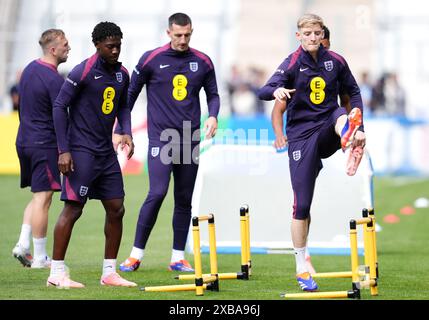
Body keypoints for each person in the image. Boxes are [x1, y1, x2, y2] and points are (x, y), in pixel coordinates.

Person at [259, 14, 365, 292]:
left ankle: (350, 137)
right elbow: (264, 90)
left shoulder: (336, 61)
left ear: (322, 34)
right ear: (299, 36)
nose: (313, 38)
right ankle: (301, 266)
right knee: (302, 205)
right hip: (302, 137)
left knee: (340, 113)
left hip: (327, 128)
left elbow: (353, 92)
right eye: (308, 34)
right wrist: (278, 91)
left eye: (317, 33)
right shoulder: (292, 63)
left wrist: (360, 125)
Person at [118, 12, 220, 273]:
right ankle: (135, 254)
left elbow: (213, 95)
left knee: (184, 199)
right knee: (157, 192)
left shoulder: (203, 61)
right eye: (178, 35)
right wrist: (122, 128)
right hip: (161, 139)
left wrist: (213, 116)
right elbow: (130, 94)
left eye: (187, 35)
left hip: (190, 139)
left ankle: (177, 257)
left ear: (192, 32)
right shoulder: (151, 59)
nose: (183, 40)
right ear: (168, 33)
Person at [48, 22, 136, 288]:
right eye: (110, 46)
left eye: (118, 45)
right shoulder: (83, 71)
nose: (115, 50)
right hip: (81, 150)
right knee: (74, 208)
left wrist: (126, 131)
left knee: (117, 208)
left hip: (105, 152)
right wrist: (64, 151)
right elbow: (59, 106)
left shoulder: (122, 74)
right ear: (97, 45)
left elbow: (123, 106)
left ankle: (109, 272)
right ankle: (56, 273)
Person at [13, 29, 70, 269]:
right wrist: (65, 148)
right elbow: (61, 116)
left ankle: (22, 244)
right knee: (44, 198)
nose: (69, 48)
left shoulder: (29, 69)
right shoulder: (54, 79)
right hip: (42, 143)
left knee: (37, 195)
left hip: (24, 140)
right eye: (65, 44)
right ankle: (39, 257)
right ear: (53, 49)